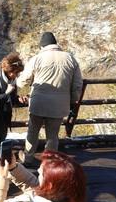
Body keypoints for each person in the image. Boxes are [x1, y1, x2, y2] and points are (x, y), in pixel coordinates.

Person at [17, 32, 83, 165]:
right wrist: (72, 100)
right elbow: (77, 85)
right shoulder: (70, 58)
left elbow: (23, 81)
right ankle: (49, 162)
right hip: (59, 105)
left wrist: (19, 84)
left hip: (38, 103)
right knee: (53, 135)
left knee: (33, 132)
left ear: (42, 46)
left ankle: (28, 158)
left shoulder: (37, 58)